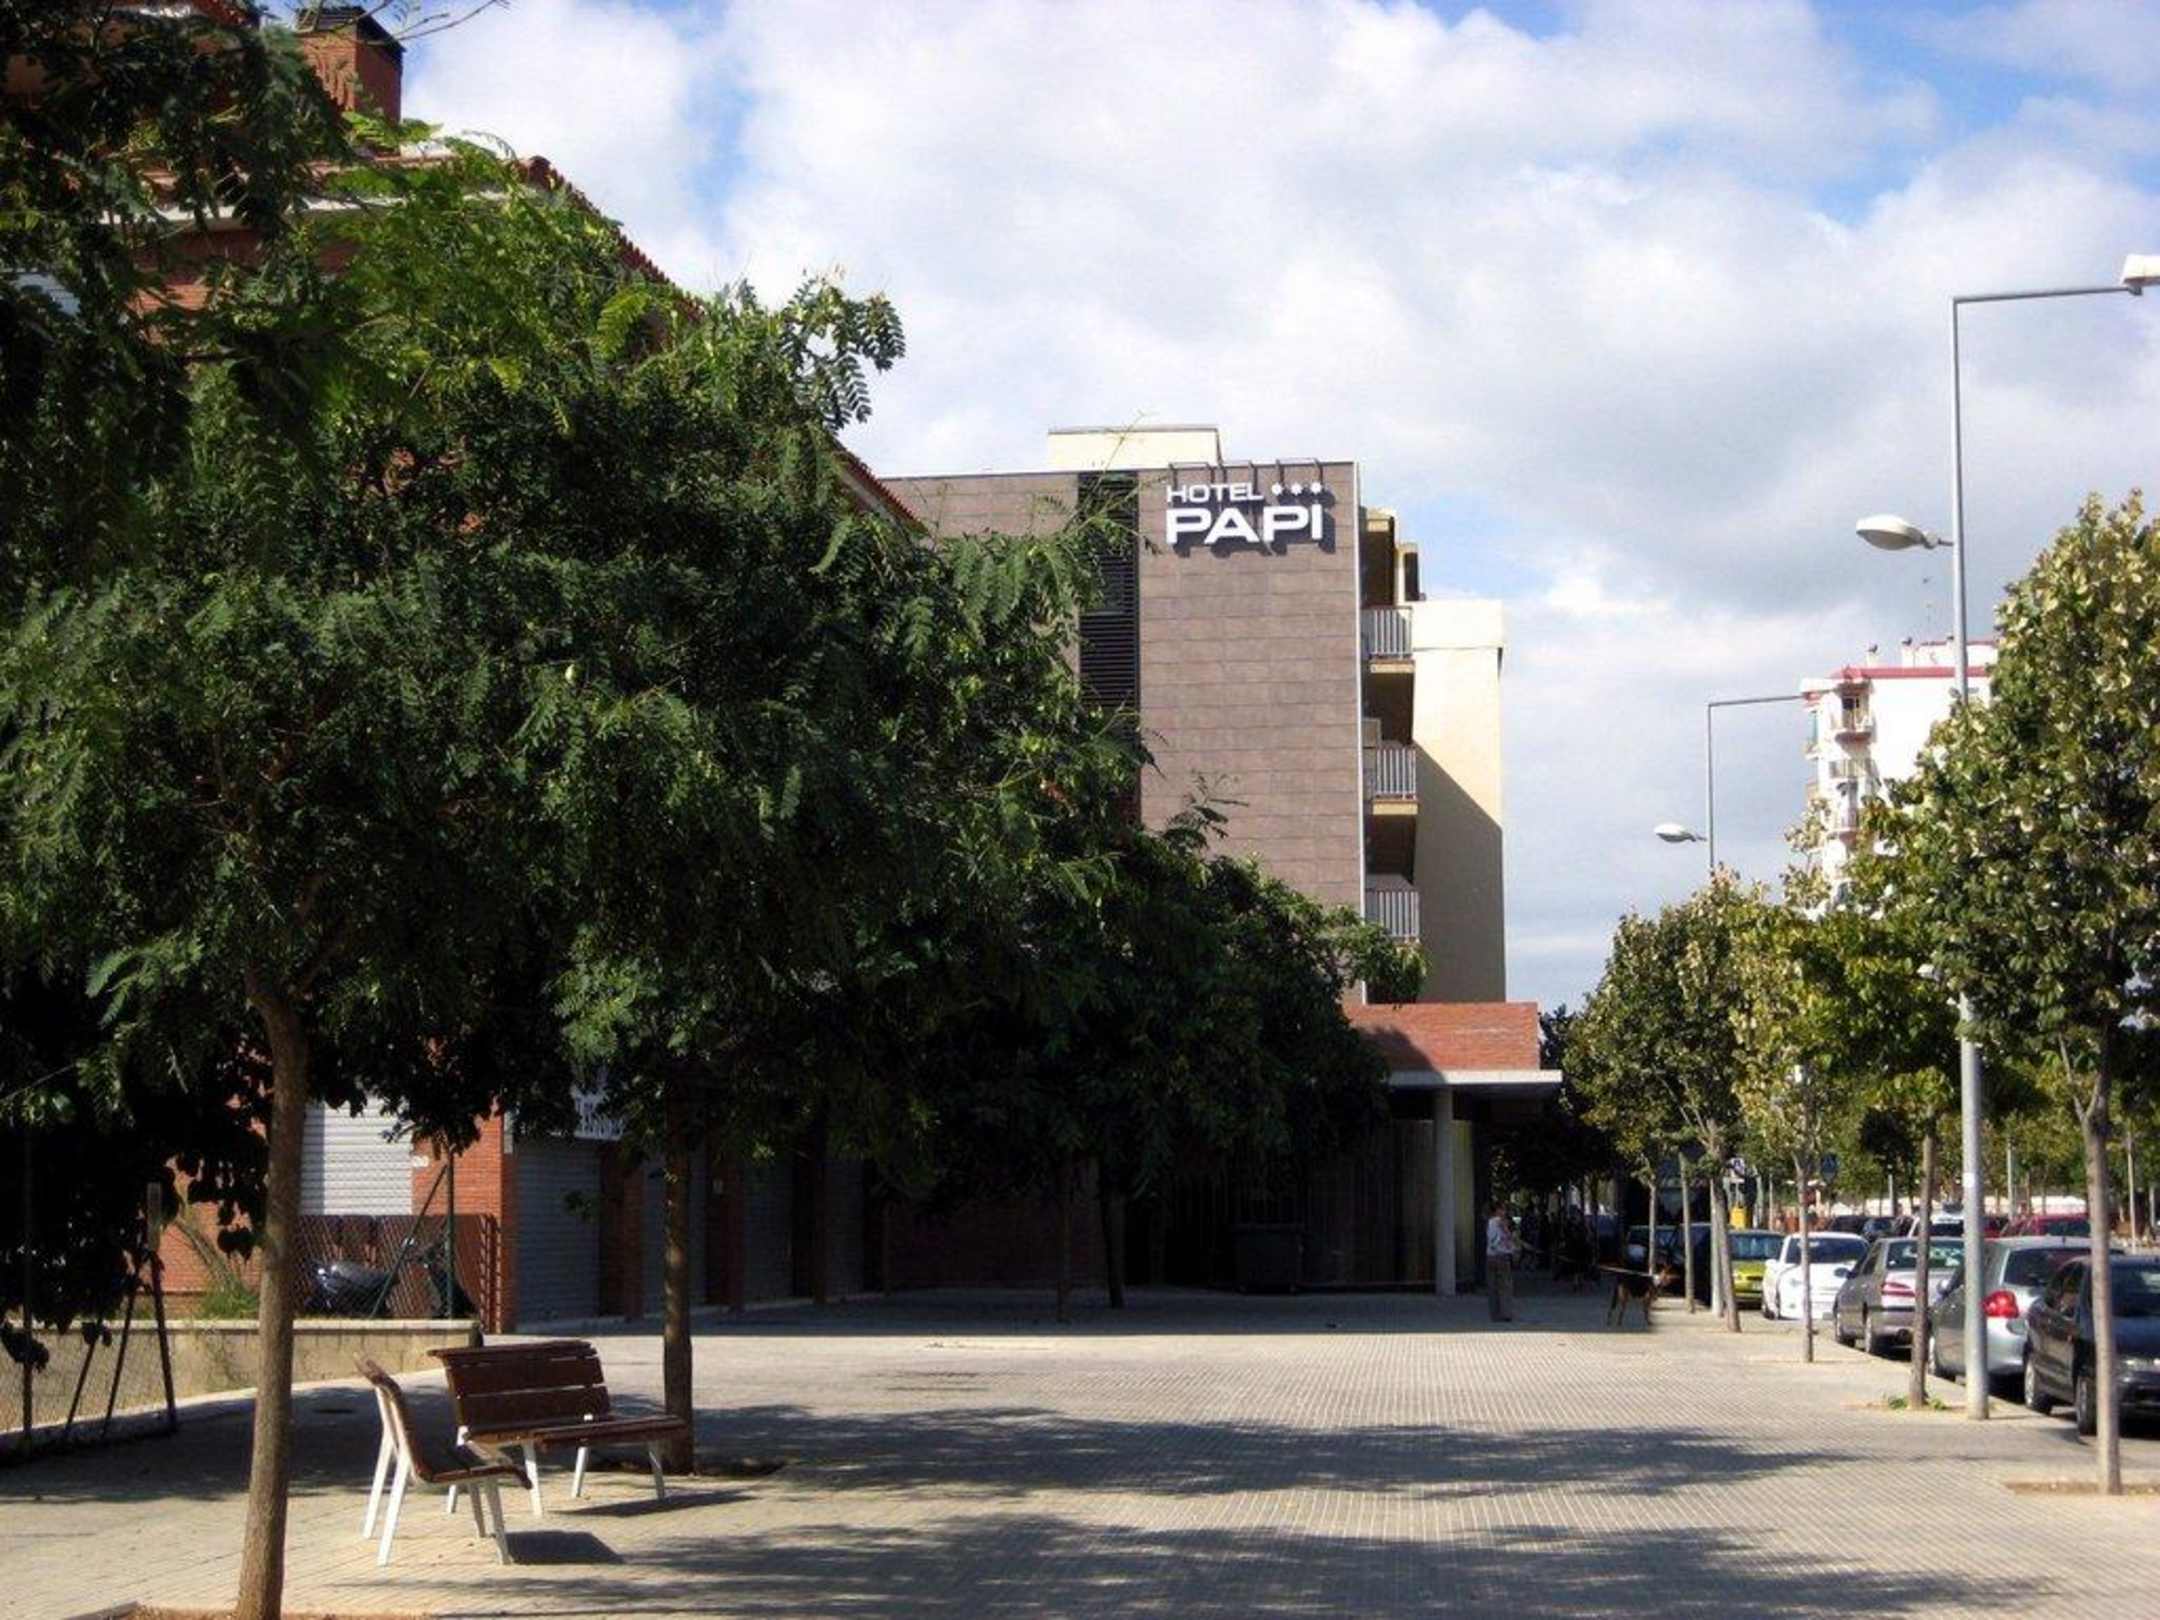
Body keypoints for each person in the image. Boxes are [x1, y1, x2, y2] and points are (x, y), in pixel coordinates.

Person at [1485, 1201, 1518, 1321]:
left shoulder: (1490, 1222)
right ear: (1498, 1210)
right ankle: (1505, 1313)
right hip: (1502, 1256)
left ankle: (1494, 1314)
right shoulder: (1499, 1222)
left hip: (1490, 1256)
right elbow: (1507, 1237)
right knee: (1505, 1286)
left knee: (1492, 1286)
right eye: (1503, 1209)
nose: (1505, 1212)